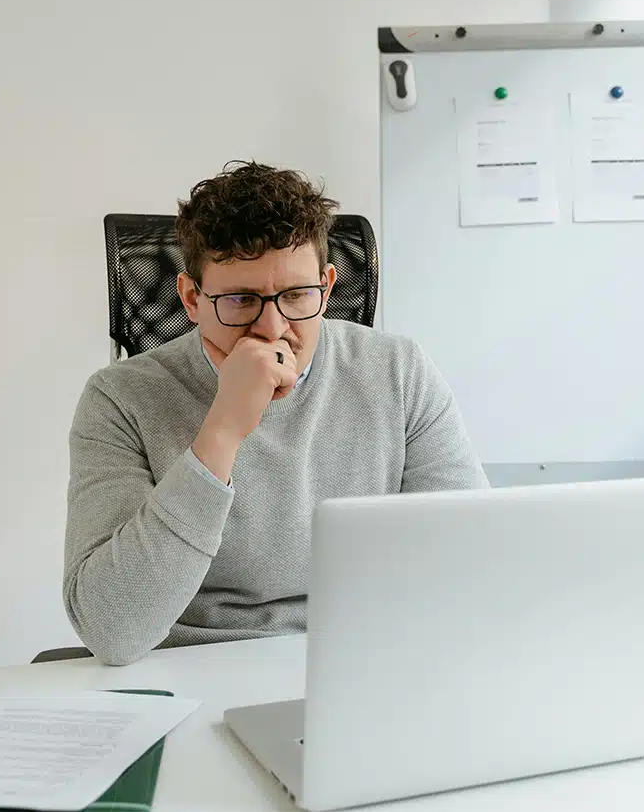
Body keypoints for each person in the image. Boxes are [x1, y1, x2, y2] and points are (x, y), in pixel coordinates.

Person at [63, 161, 487, 665]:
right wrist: (222, 430)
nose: (272, 327)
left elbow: (472, 564)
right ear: (192, 299)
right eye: (241, 299)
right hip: (190, 668)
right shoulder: (119, 399)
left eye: (296, 295)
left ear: (328, 288)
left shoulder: (399, 371)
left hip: (357, 660)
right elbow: (110, 629)